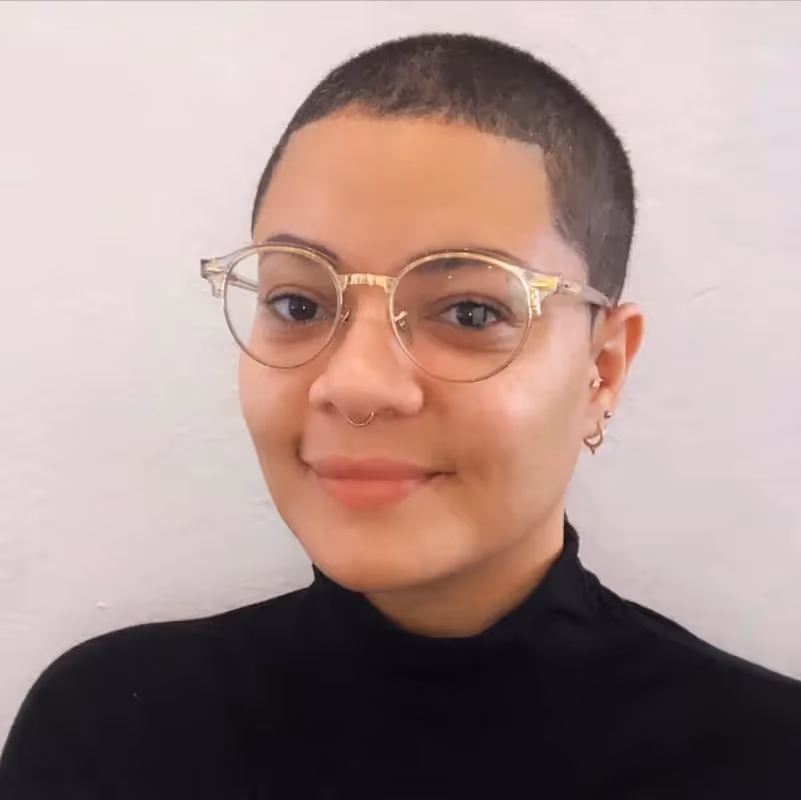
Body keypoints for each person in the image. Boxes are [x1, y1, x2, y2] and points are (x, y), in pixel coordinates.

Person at [1, 31, 799, 800]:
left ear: (601, 368)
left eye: (471, 313)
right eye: (296, 301)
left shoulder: (762, 760)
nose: (355, 385)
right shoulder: (109, 733)